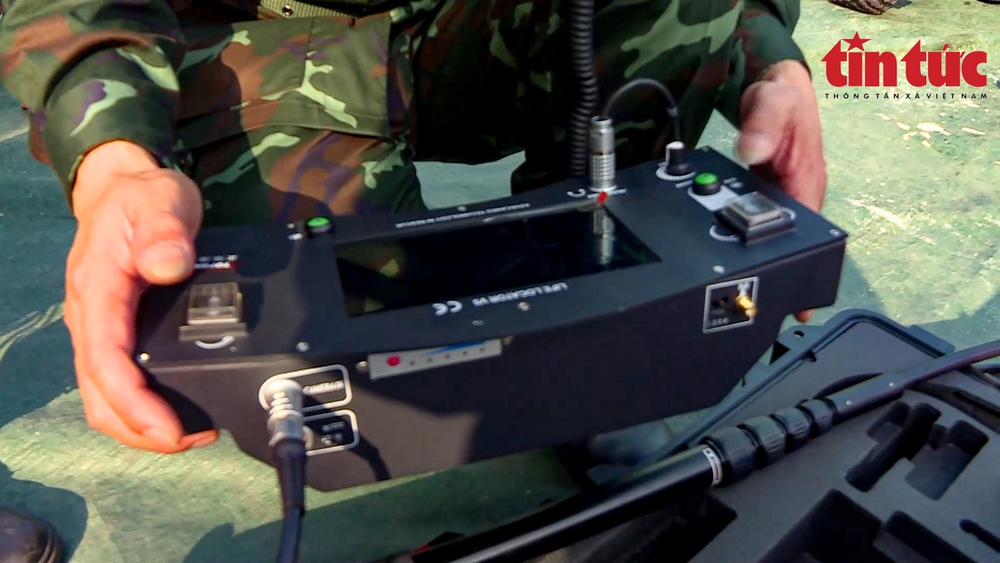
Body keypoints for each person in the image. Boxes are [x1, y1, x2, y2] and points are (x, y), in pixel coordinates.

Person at [0, 0, 825, 554]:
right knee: (356, 324)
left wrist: (773, 63)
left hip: (460, 20)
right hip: (261, 37)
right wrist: (113, 161)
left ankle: (606, 350)